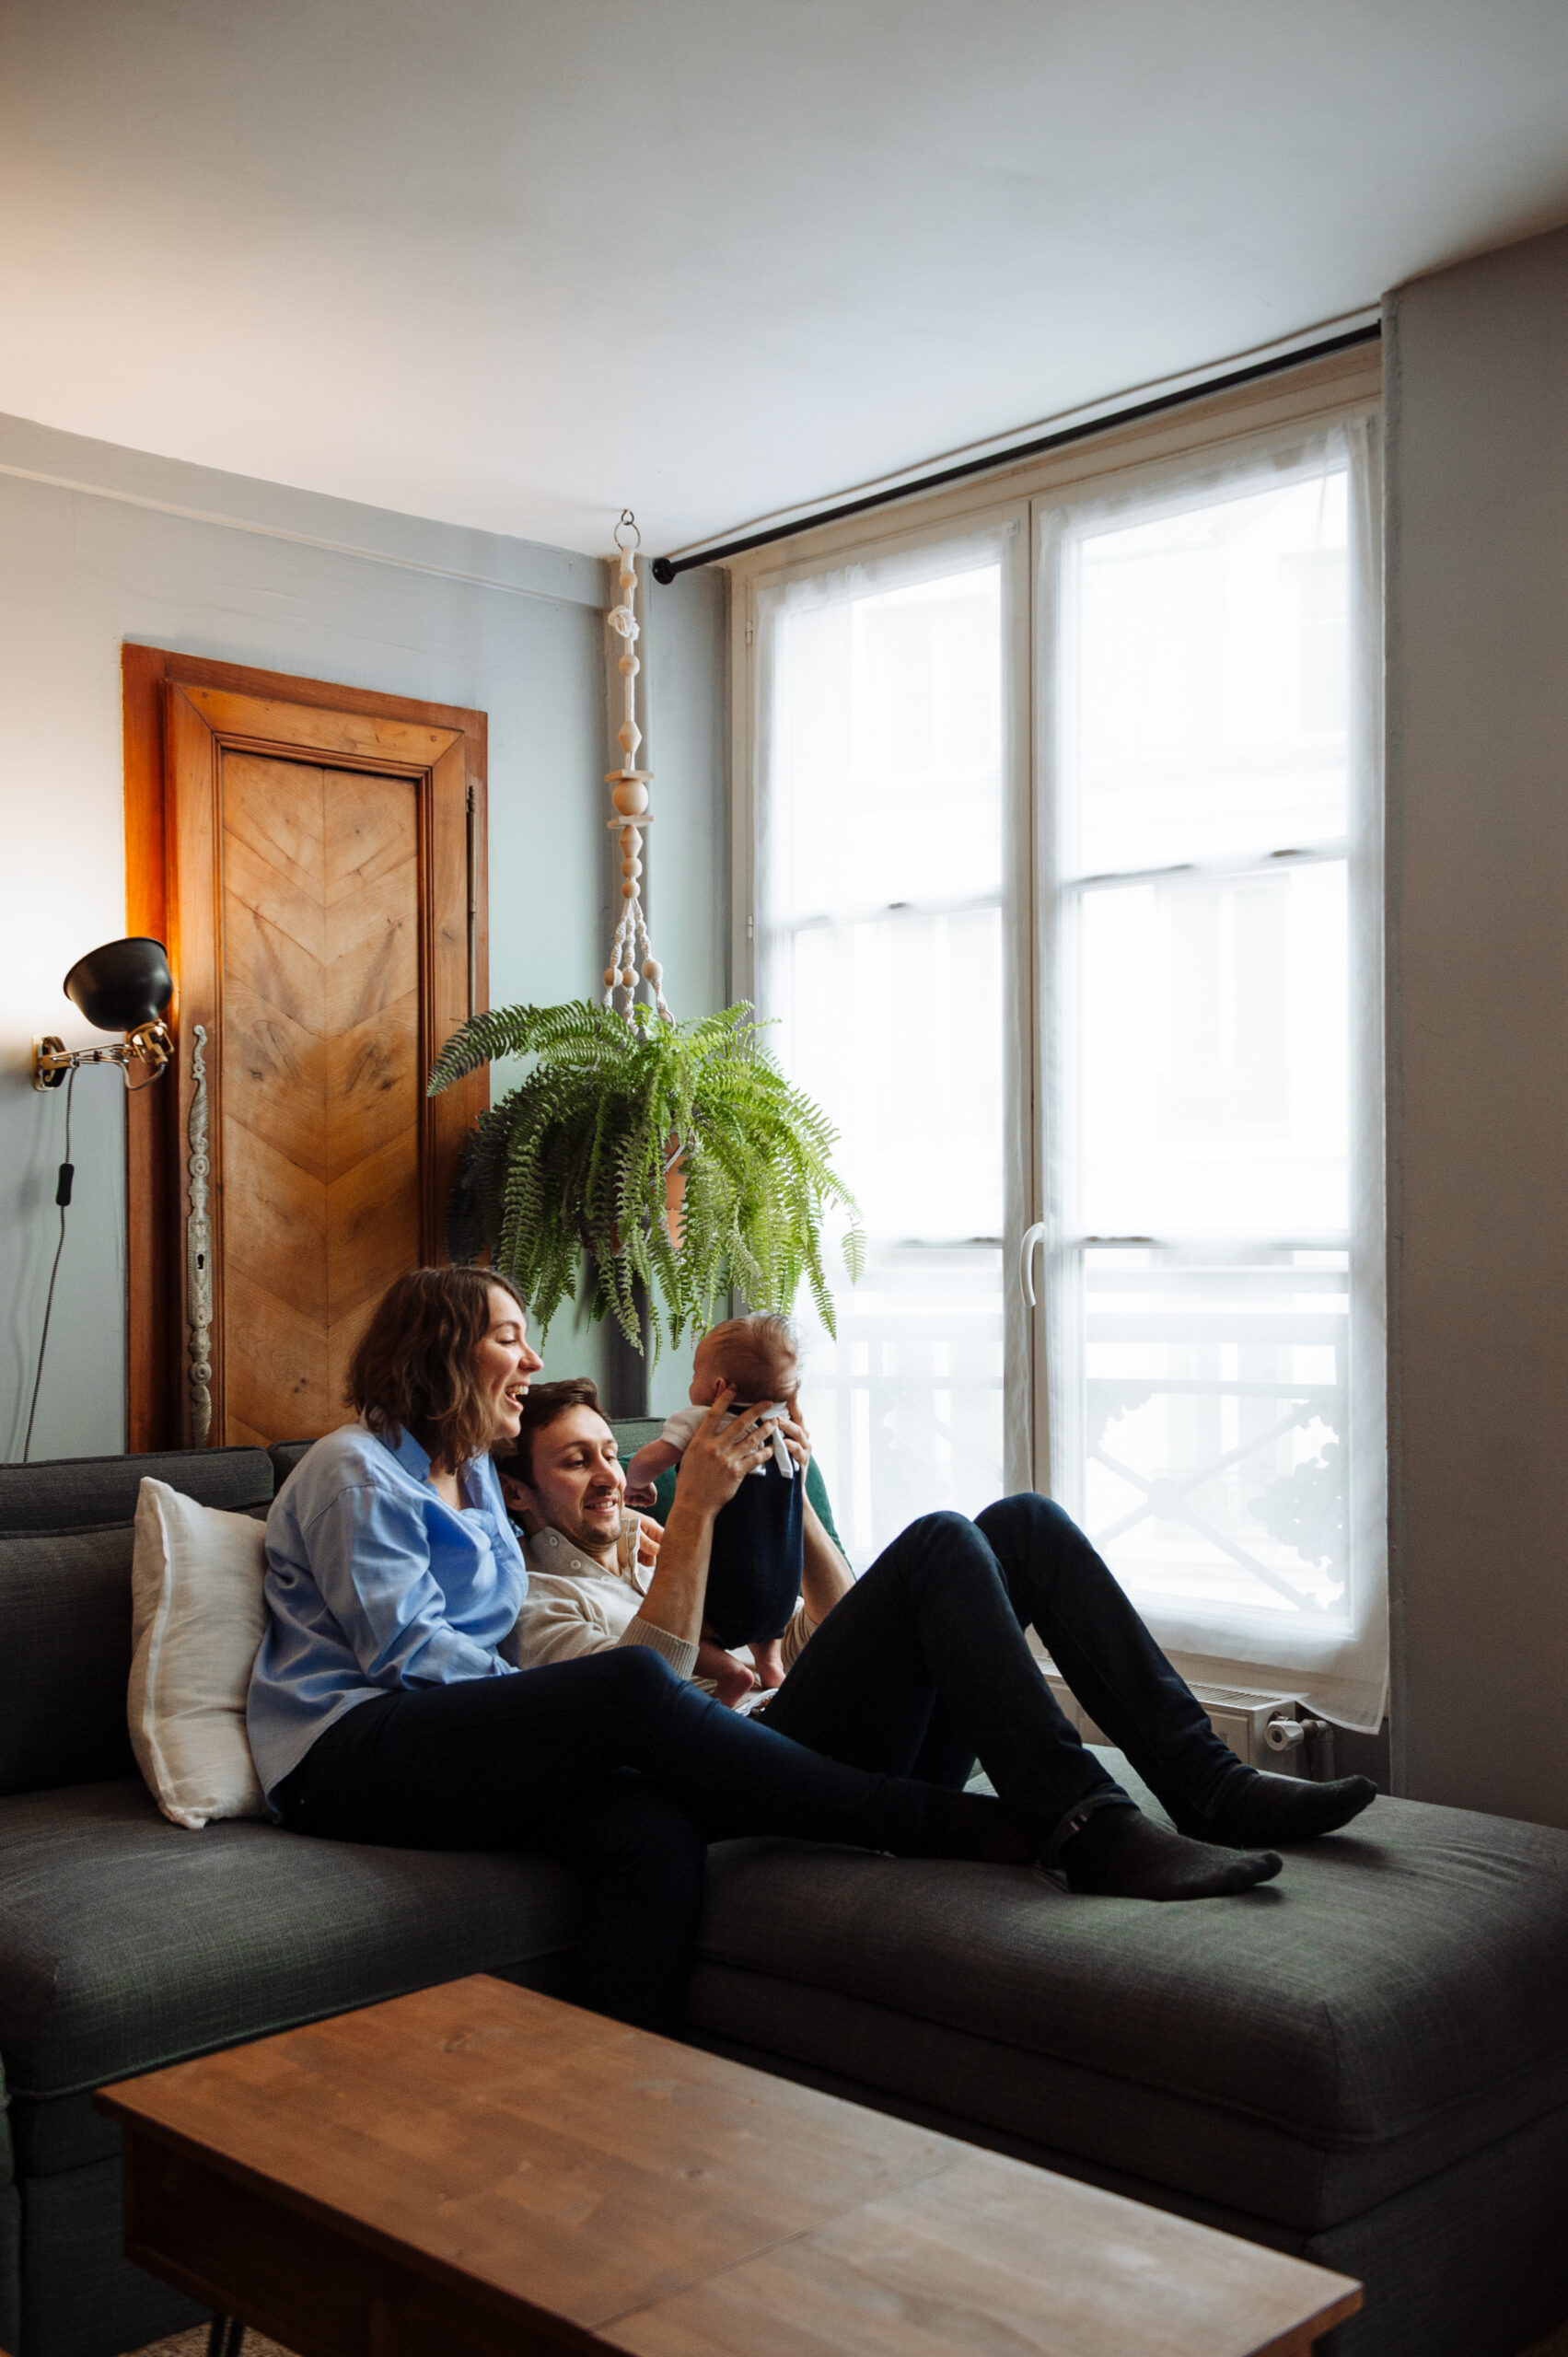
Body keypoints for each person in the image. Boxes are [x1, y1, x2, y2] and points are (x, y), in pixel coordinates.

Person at [247, 1266, 1171, 2038]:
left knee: (649, 1829)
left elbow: (505, 1634)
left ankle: (621, 2071)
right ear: (441, 1350)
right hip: (348, 1753)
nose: (531, 1359)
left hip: (458, 1739)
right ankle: (932, 1820)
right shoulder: (354, 1468)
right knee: (625, 1684)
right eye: (508, 1338)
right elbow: (409, 1653)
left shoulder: (477, 1475)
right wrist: (565, 1715)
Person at [502, 1376, 1377, 1909]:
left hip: (826, 1736)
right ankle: (1088, 1829)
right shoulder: (534, 1598)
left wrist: (793, 1491)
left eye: (607, 1455)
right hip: (756, 1783)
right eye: (575, 1463)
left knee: (1022, 1523)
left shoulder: (654, 1553)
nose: (608, 1476)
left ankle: (1207, 1785)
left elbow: (828, 1631)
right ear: (518, 1496)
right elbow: (639, 1703)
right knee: (937, 1540)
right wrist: (694, 1506)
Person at [622, 1314, 804, 1692]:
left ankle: (731, 1673)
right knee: (768, 1640)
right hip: (782, 1594)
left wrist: (637, 1482)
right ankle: (771, 1667)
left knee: (694, 1634)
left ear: (718, 1387)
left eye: (694, 1374)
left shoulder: (702, 1420)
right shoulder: (788, 1431)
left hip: (726, 1586)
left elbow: (647, 1461)